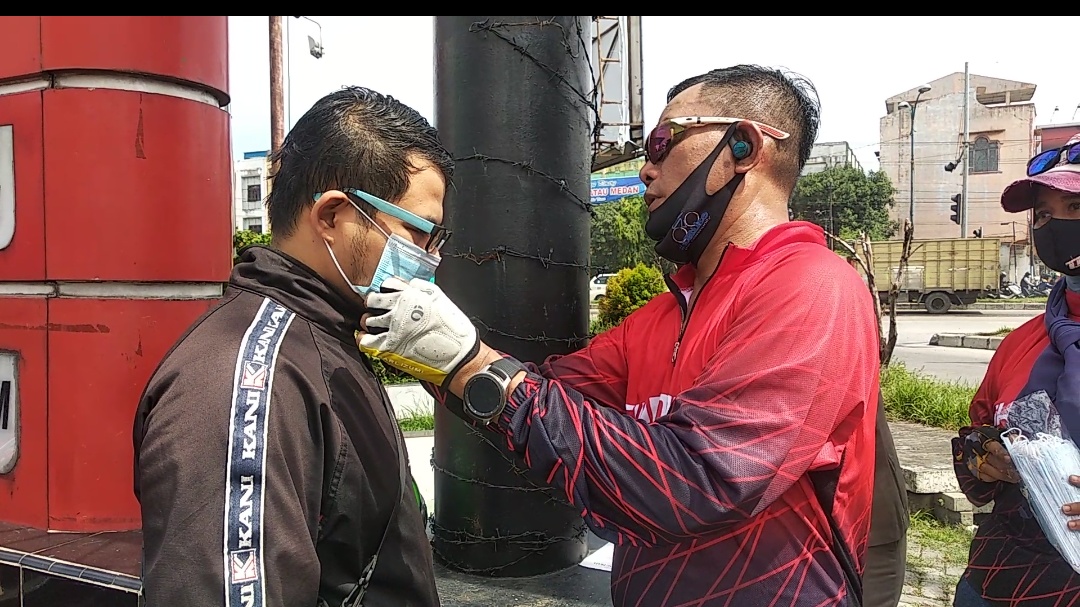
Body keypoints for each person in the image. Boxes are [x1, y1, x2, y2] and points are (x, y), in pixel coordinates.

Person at [358, 65, 881, 606]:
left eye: (661, 143)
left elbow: (700, 481)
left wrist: (472, 366)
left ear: (743, 146)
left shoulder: (811, 287)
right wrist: (424, 347)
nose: (646, 170)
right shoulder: (660, 317)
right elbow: (540, 400)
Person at [132, 86, 449, 607]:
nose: (430, 256)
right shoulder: (242, 382)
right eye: (419, 234)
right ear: (332, 216)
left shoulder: (328, 337)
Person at [951, 132, 1080, 606]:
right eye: (1043, 215)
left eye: (1076, 207)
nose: (1056, 226)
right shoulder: (1021, 342)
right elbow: (974, 438)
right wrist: (986, 459)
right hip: (995, 579)